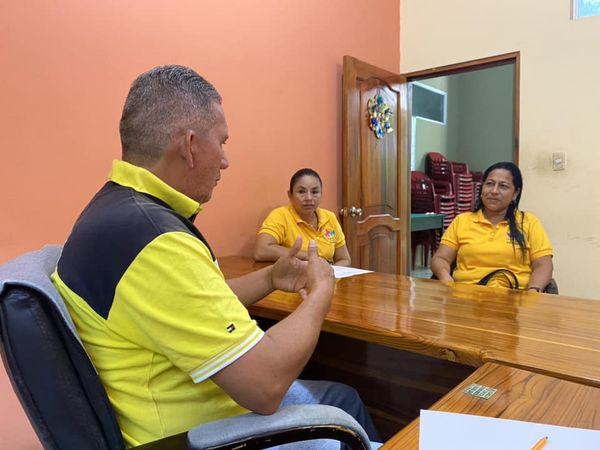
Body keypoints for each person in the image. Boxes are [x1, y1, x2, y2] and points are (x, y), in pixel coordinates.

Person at [50, 65, 379, 448]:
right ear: (190, 146)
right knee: (348, 409)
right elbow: (265, 385)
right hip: (204, 435)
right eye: (221, 142)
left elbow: (198, 306)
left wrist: (270, 278)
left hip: (188, 401)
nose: (225, 161)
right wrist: (321, 293)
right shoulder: (156, 242)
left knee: (343, 397)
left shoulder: (114, 213)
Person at [431, 161, 553, 291]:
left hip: (515, 297)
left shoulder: (529, 222)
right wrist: (446, 278)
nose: (494, 191)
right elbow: (441, 258)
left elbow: (543, 265)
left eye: (503, 186)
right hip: (466, 295)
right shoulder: (462, 221)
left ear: (515, 194)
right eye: (489, 184)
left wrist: (533, 291)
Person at [254, 168, 352, 266]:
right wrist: (308, 256)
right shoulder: (280, 216)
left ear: (321, 194)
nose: (309, 198)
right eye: (301, 192)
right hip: (293, 274)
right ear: (290, 195)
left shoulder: (329, 217)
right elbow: (261, 251)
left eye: (314, 192)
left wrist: (329, 271)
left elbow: (344, 259)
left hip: (327, 273)